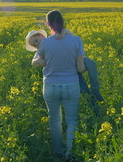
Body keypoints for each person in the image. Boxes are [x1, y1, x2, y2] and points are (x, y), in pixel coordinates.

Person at [29, 10, 83, 161]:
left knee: (54, 120)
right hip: (71, 85)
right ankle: (70, 154)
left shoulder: (44, 43)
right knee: (72, 121)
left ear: (47, 24)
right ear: (63, 21)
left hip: (51, 86)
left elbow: (37, 61)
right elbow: (80, 68)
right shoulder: (76, 40)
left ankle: (58, 152)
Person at [25, 29, 104, 107]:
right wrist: (38, 60)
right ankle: (96, 109)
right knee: (84, 91)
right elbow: (33, 62)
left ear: (41, 36)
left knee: (91, 63)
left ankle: (95, 90)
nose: (37, 45)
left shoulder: (53, 38)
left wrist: (64, 31)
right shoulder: (40, 51)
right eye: (34, 45)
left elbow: (69, 35)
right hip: (70, 72)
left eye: (36, 41)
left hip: (76, 61)